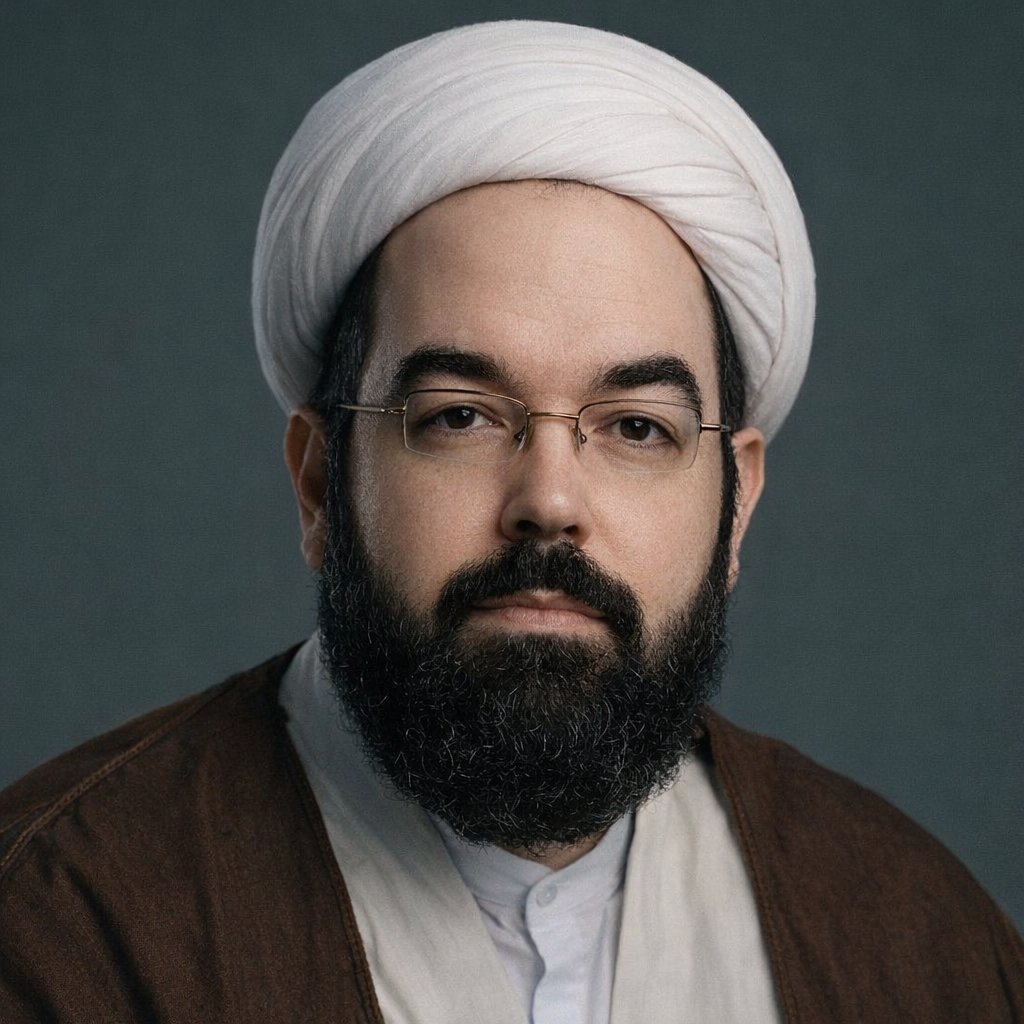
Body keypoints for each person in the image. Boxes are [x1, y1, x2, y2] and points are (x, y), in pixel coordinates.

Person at [1, 21, 1021, 1024]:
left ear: (736, 500)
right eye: (460, 417)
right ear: (319, 482)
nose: (550, 502)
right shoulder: (54, 924)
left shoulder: (920, 940)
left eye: (636, 427)